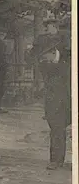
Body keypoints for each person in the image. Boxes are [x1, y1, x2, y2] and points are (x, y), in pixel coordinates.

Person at [27, 19, 71, 170]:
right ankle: (56, 160)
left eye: (44, 56)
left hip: (68, 98)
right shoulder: (46, 65)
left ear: (53, 52)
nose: (42, 59)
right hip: (57, 101)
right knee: (57, 127)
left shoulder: (68, 61)